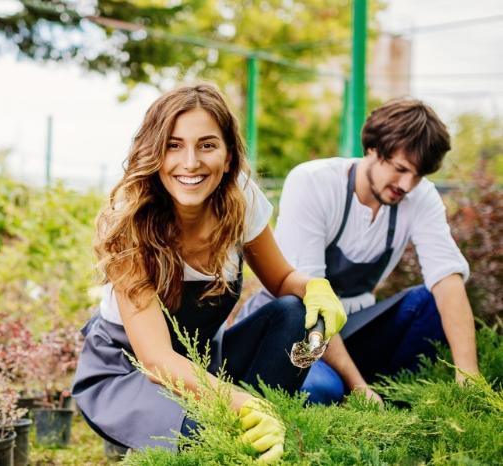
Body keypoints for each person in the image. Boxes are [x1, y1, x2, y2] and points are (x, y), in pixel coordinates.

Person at [72, 83, 347, 462]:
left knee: (294, 312)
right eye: (173, 145)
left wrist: (316, 287)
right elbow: (156, 360)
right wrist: (240, 403)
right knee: (211, 432)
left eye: (207, 145)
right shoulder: (130, 223)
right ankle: (242, 426)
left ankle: (264, 431)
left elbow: (283, 281)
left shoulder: (240, 199)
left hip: (204, 364)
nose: (190, 162)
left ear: (229, 155)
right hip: (130, 371)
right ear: (154, 152)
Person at [239, 98, 479, 406]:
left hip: (356, 326)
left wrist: (468, 376)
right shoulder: (313, 182)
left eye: (417, 176)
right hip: (298, 325)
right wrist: (358, 387)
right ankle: (352, 388)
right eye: (400, 169)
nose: (407, 185)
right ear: (373, 149)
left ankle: (396, 397)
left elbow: (447, 277)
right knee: (320, 391)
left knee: (431, 301)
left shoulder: (420, 196)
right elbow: (309, 300)